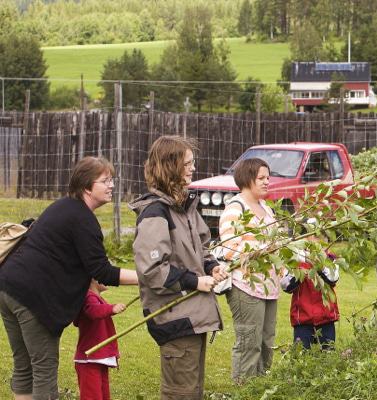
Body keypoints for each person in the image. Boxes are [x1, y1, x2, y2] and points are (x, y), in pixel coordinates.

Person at [0, 157, 138, 400]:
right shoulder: (83, 219)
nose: (112, 186)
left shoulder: (62, 207)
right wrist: (146, 278)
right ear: (87, 187)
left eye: (112, 180)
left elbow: (68, 258)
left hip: (7, 287)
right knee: (43, 368)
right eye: (105, 181)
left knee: (24, 365)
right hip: (33, 299)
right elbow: (102, 271)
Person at [131, 136, 227, 399]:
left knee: (192, 391)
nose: (193, 168)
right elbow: (152, 270)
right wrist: (195, 282)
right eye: (187, 163)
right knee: (180, 393)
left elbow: (202, 247)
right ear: (171, 167)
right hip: (174, 316)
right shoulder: (155, 213)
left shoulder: (185, 208)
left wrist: (211, 267)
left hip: (193, 314)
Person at [214, 158, 284, 382]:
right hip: (246, 286)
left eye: (268, 178)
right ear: (247, 178)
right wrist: (263, 249)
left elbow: (277, 244)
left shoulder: (266, 208)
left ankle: (261, 388)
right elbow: (229, 247)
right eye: (261, 178)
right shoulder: (236, 208)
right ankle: (244, 389)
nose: (267, 182)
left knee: (266, 342)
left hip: (269, 286)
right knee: (249, 342)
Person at [74, 279, 127, 400]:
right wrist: (111, 309)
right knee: (92, 396)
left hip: (98, 358)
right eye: (105, 275)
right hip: (89, 360)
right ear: (94, 279)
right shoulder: (88, 296)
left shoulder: (97, 299)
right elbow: (93, 311)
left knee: (103, 395)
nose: (109, 278)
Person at [281, 257, 339, 350]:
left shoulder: (329, 257)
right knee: (300, 355)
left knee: (328, 354)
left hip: (326, 317)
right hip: (303, 318)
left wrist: (321, 266)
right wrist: (298, 269)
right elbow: (286, 286)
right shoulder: (294, 257)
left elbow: (333, 278)